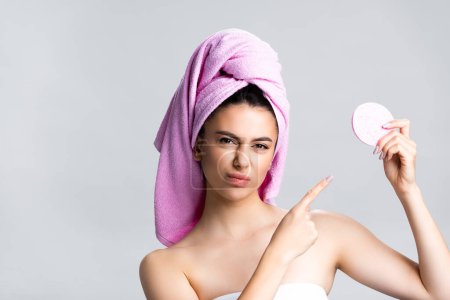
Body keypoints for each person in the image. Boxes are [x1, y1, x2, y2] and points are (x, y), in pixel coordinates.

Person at [139, 29, 450, 300]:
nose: (242, 161)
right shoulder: (166, 267)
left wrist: (408, 191)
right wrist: (277, 254)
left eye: (260, 146)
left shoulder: (322, 231)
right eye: (227, 141)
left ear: (275, 154)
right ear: (197, 146)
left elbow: (438, 293)